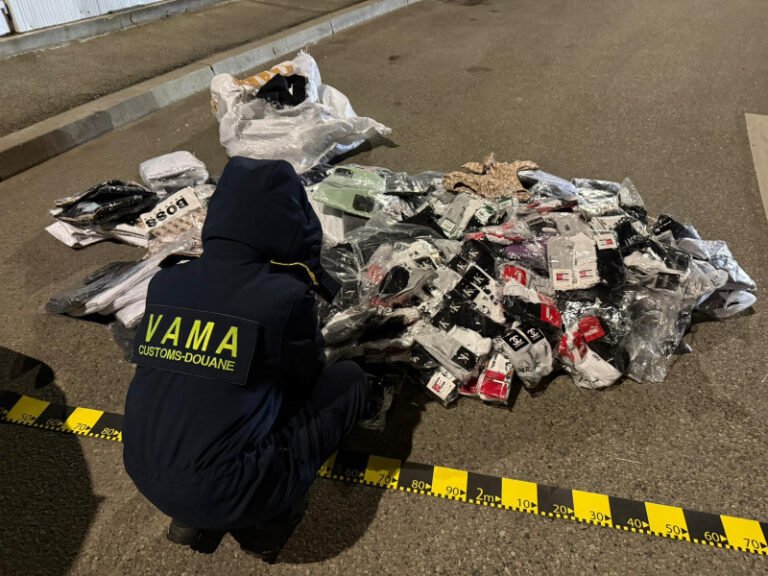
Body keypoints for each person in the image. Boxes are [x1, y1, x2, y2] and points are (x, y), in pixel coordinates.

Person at [123, 157, 372, 562]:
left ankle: (198, 508)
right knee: (349, 380)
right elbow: (305, 380)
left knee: (222, 389)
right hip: (235, 488)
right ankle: (266, 517)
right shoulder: (282, 297)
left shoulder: (167, 281)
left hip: (143, 467)